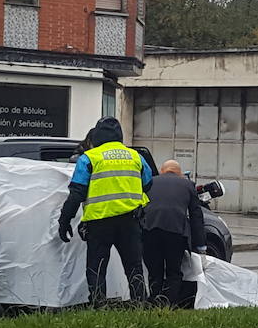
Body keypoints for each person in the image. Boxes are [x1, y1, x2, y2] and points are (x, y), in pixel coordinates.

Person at [57, 117, 153, 307]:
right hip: (130, 221)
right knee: (133, 266)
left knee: (97, 267)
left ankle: (99, 306)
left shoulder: (90, 158)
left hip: (99, 223)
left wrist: (64, 220)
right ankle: (140, 305)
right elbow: (148, 183)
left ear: (98, 134)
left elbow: (77, 193)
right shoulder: (135, 157)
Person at [142, 160, 206, 307]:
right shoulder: (187, 185)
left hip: (150, 231)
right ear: (179, 173)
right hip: (175, 232)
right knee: (174, 272)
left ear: (162, 171)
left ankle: (154, 302)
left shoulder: (149, 182)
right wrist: (200, 246)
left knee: (154, 271)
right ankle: (168, 304)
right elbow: (196, 216)